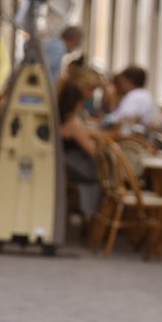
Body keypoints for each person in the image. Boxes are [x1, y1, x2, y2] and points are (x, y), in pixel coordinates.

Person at [58, 81, 101, 221]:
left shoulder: (61, 119)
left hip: (67, 163)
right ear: (77, 102)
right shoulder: (73, 123)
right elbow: (92, 151)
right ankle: (93, 216)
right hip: (80, 167)